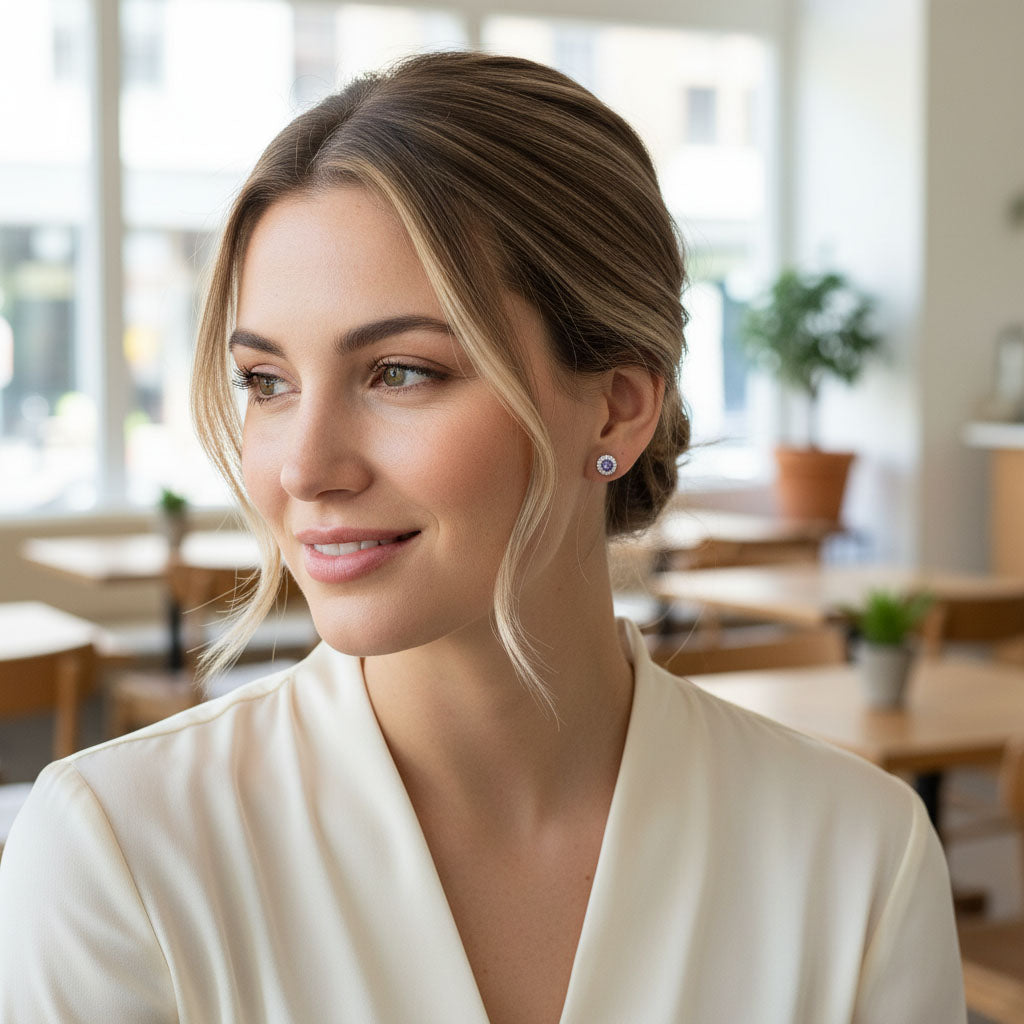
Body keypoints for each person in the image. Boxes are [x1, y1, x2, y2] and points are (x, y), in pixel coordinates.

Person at [0, 51, 964, 1023]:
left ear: (617, 407)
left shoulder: (858, 859)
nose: (304, 468)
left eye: (401, 372)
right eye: (267, 382)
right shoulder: (118, 852)